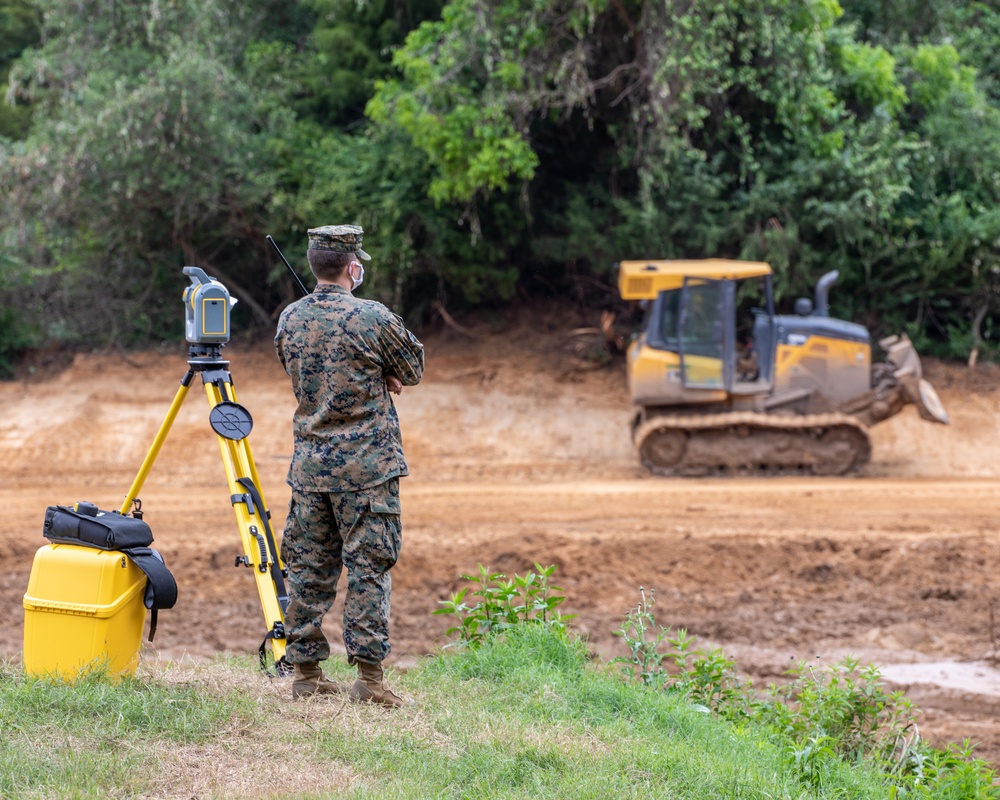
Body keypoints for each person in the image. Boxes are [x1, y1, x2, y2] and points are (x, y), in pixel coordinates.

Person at [274, 224, 424, 707]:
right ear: (353, 267)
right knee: (368, 569)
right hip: (366, 472)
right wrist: (385, 371)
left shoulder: (288, 319)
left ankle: (306, 674)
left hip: (311, 468)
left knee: (308, 569)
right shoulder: (373, 318)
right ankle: (370, 681)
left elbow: (299, 370)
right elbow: (414, 368)